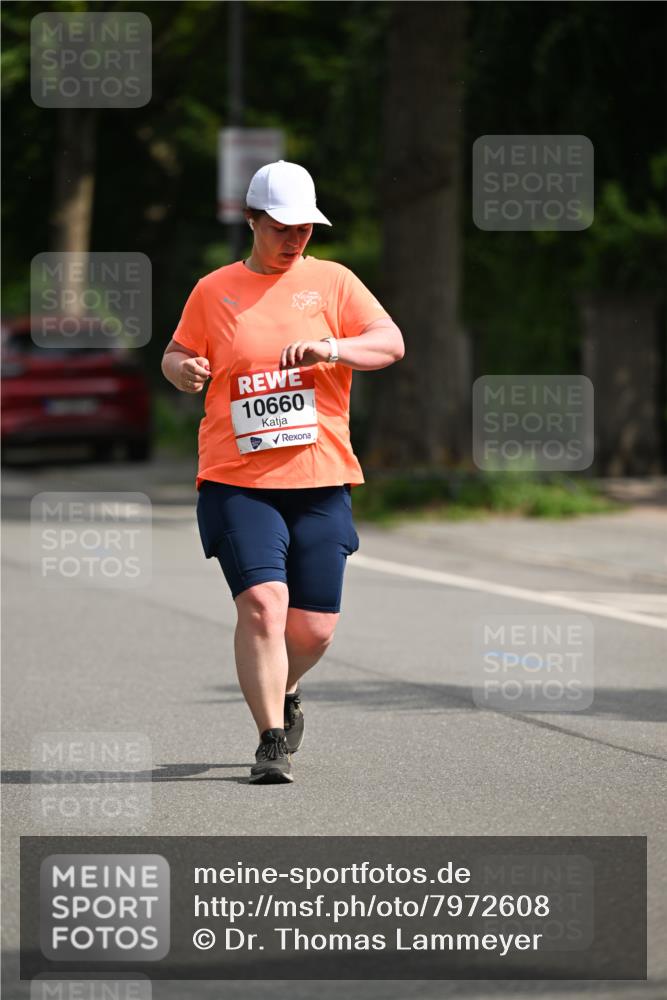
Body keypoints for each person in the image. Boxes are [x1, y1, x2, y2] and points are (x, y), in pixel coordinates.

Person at [161, 160, 404, 784]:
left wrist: (333, 348)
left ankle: (285, 687)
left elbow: (390, 343)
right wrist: (182, 370)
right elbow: (177, 352)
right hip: (236, 478)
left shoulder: (334, 283)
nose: (295, 239)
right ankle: (271, 740)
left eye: (305, 229)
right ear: (252, 221)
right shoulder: (213, 290)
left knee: (315, 628)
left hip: (320, 476)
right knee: (266, 607)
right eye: (281, 227)